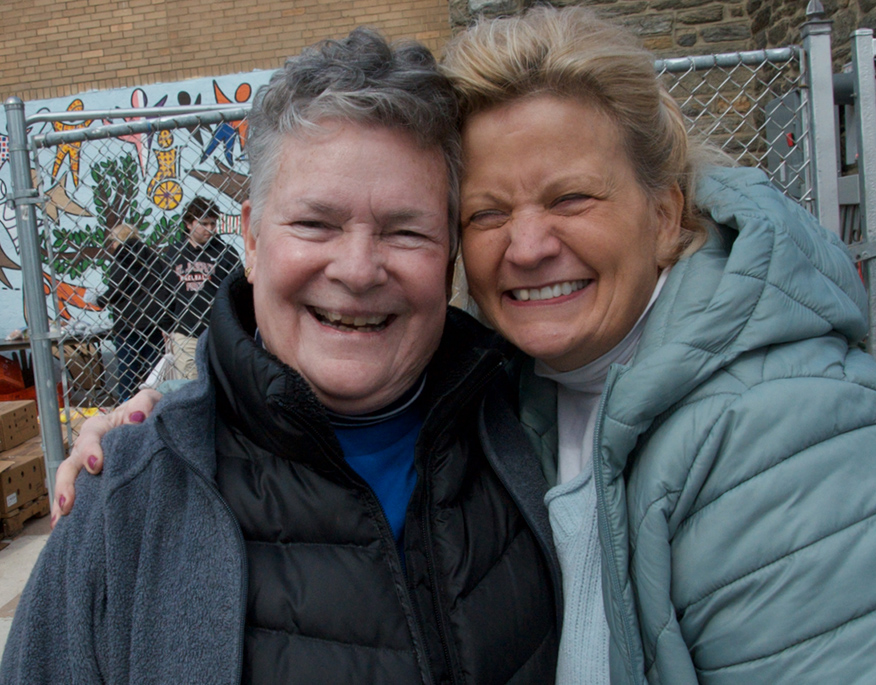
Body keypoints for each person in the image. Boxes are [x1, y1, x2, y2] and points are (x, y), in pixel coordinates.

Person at [53, 7, 876, 684]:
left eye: (574, 197)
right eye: (489, 211)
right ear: (250, 239)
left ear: (667, 210)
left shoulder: (780, 431)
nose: (532, 244)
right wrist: (164, 424)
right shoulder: (521, 392)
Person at [1, 29, 559, 684]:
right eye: (316, 223)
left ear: (450, 260)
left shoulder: (539, 433)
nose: (357, 269)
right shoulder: (127, 505)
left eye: (405, 230)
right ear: (254, 240)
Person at [165, 196, 241, 379]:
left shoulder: (225, 253)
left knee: (220, 380)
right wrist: (167, 326)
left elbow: (237, 290)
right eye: (204, 224)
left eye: (213, 224)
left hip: (217, 331)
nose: (210, 230)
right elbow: (165, 293)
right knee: (188, 383)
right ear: (189, 224)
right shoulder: (173, 253)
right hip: (185, 331)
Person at [96, 223, 172, 401]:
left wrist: (100, 300)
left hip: (128, 322)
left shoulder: (121, 257)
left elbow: (117, 287)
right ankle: (156, 404)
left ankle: (126, 405)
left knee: (128, 370)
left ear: (117, 240)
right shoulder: (152, 256)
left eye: (112, 242)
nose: (112, 247)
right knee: (154, 369)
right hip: (153, 320)